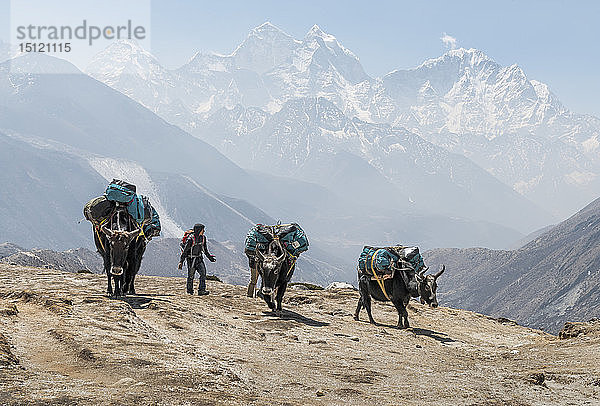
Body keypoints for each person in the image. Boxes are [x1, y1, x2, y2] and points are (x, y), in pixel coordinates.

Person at [178, 223, 216, 295]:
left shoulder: (203, 238)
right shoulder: (190, 239)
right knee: (191, 276)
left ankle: (201, 290)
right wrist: (181, 262)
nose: (204, 231)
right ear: (199, 230)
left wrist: (210, 258)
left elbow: (205, 250)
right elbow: (185, 251)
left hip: (199, 258)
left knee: (203, 273)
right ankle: (190, 291)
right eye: (202, 230)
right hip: (191, 259)